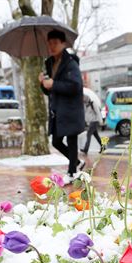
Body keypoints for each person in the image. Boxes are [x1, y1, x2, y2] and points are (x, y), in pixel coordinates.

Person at [39, 30, 85, 183]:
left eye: (55, 43)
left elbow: (75, 86)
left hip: (71, 109)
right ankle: (76, 162)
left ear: (63, 44)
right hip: (57, 110)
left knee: (72, 140)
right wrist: (43, 84)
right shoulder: (49, 63)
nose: (52, 47)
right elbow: (49, 91)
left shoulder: (71, 63)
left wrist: (54, 84)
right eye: (50, 43)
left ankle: (72, 172)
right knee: (56, 141)